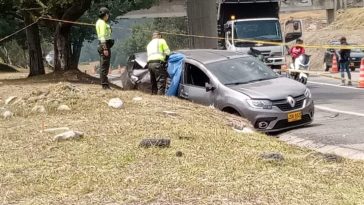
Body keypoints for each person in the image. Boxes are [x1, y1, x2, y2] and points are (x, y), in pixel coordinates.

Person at [96, 7, 114, 90]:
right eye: (108, 14)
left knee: (104, 65)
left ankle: (105, 84)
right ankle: (105, 85)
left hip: (104, 44)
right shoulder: (102, 23)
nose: (108, 16)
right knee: (104, 66)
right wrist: (105, 48)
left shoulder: (100, 22)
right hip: (104, 45)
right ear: (106, 14)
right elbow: (102, 36)